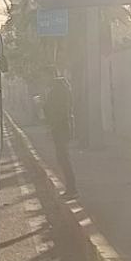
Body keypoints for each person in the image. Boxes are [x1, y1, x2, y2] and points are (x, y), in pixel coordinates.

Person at [42, 68, 78, 196]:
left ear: (51, 75)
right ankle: (70, 187)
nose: (44, 79)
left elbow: (58, 110)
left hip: (61, 127)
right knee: (62, 158)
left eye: (45, 76)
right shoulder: (59, 88)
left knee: (63, 158)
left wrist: (44, 107)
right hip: (61, 127)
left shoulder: (58, 90)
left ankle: (72, 189)